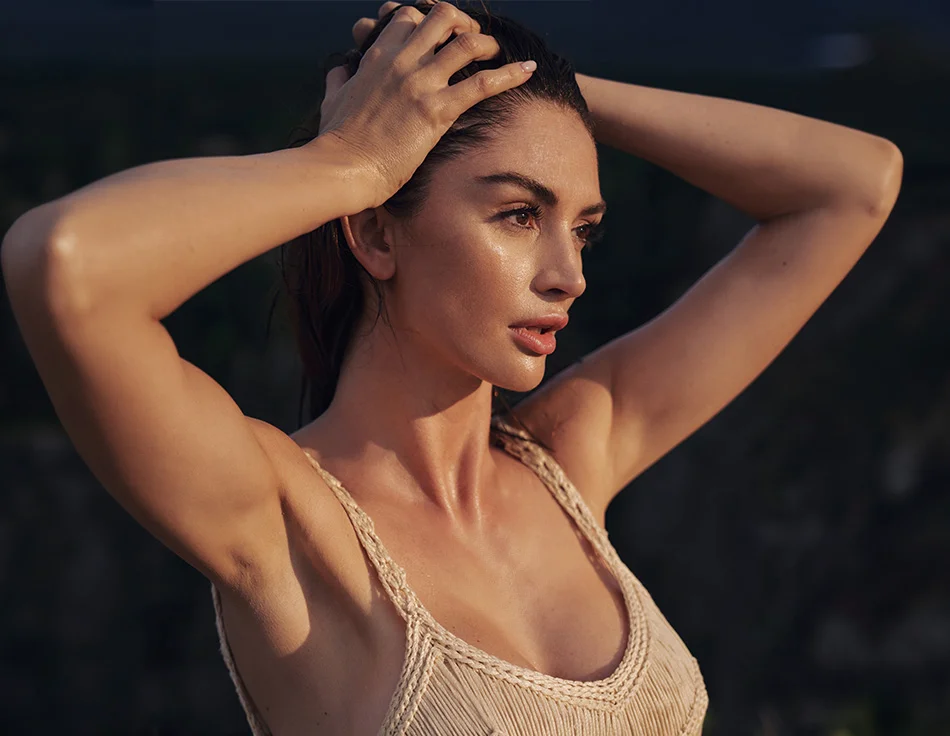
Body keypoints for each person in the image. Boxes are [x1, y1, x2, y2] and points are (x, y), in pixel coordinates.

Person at [1, 0, 903, 733]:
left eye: (583, 228)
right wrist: (349, 161)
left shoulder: (572, 461)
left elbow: (855, 184)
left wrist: (535, 91)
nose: (570, 274)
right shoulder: (286, 524)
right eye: (519, 215)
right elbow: (66, 267)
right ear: (375, 233)